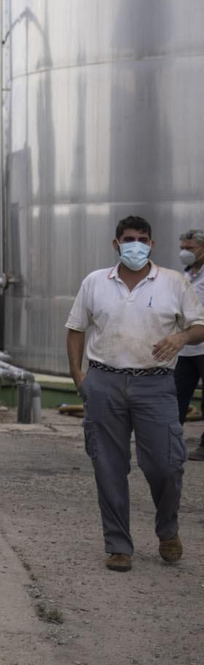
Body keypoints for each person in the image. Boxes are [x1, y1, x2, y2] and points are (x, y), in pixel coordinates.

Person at [66, 215, 204, 571]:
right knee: (108, 466)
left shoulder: (173, 282)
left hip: (156, 384)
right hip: (104, 381)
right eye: (129, 239)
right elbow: (76, 329)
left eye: (143, 239)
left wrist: (181, 336)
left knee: (166, 464)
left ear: (152, 244)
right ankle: (118, 545)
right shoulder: (96, 282)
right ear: (116, 244)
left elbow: (199, 325)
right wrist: (79, 376)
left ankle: (167, 529)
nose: (136, 245)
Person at [175, 228, 204, 462]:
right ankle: (170, 442)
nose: (185, 252)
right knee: (176, 397)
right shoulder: (183, 276)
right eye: (182, 248)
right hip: (186, 348)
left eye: (190, 248)